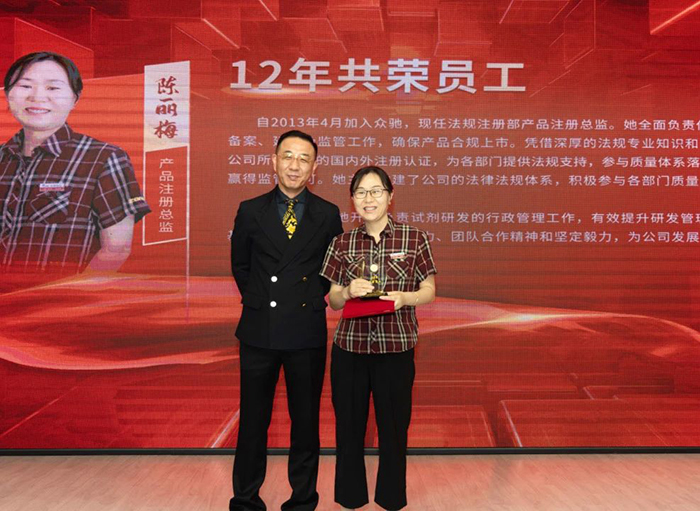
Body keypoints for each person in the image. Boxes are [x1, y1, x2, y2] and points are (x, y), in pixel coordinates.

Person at [229, 130, 343, 511]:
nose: (295, 165)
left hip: (305, 331)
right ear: (274, 161)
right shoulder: (250, 210)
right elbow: (241, 266)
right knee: (253, 422)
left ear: (314, 167)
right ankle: (245, 500)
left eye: (304, 158)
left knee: (305, 424)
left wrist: (305, 300)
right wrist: (262, 300)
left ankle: (302, 501)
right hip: (259, 331)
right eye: (288, 156)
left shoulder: (328, 214)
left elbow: (330, 270)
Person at [320, 166, 437, 511]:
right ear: (352, 199)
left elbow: (429, 290)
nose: (368, 199)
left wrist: (405, 298)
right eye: (360, 192)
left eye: (375, 191)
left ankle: (391, 498)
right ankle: (350, 499)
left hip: (395, 348)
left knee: (394, 430)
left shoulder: (415, 238)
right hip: (350, 350)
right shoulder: (342, 243)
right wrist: (346, 291)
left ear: (390, 196)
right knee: (349, 430)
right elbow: (333, 300)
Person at [0, 51, 150, 279]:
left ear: (75, 98)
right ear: (8, 94)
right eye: (25, 86)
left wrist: (69, 296)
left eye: (53, 88)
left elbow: (116, 249)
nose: (37, 97)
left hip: (55, 298)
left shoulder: (104, 158)